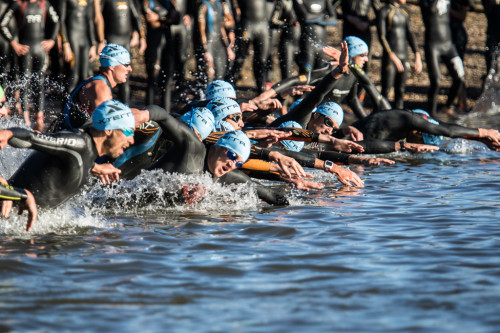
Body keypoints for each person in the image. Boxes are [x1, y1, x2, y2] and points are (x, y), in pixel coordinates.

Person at [0, 100, 135, 209]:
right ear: (109, 130)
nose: (132, 140)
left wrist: (95, 167)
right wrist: (8, 134)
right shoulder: (78, 142)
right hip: (7, 211)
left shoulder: (87, 148)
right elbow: (32, 139)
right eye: (128, 132)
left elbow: (74, 158)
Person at [0, 0, 60, 131]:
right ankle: (26, 118)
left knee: (40, 82)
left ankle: (40, 117)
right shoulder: (19, 4)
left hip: (40, 49)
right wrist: (13, 43)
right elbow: (3, 24)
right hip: (25, 50)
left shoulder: (44, 4)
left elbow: (56, 21)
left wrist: (52, 39)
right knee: (24, 83)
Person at [50, 43, 132, 132]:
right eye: (126, 65)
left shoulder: (95, 81)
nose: (130, 69)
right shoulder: (100, 88)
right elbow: (104, 127)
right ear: (112, 66)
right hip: (70, 138)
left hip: (67, 132)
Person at [350, 108, 500, 151]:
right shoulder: (410, 120)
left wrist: (481, 140)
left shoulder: (407, 121)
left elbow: (445, 128)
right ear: (419, 132)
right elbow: (448, 132)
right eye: (422, 143)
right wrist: (486, 132)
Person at [420, 0, 466, 115]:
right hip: (433, 45)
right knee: (436, 80)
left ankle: (447, 107)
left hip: (448, 44)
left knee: (460, 76)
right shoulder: (426, 2)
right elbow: (430, 11)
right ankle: (431, 113)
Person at [96, 0, 144, 104]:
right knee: (109, 77)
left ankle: (125, 107)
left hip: (125, 41)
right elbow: (98, 17)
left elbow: (136, 17)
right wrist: (101, 40)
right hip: (111, 41)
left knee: (125, 79)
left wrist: (140, 36)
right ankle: (108, 105)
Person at [377, 0, 422, 109]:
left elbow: (410, 33)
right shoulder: (384, 11)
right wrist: (391, 55)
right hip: (390, 57)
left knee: (400, 90)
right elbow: (382, 36)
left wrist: (417, 54)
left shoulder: (404, 11)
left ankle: (399, 119)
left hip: (404, 55)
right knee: (386, 89)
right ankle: (380, 117)